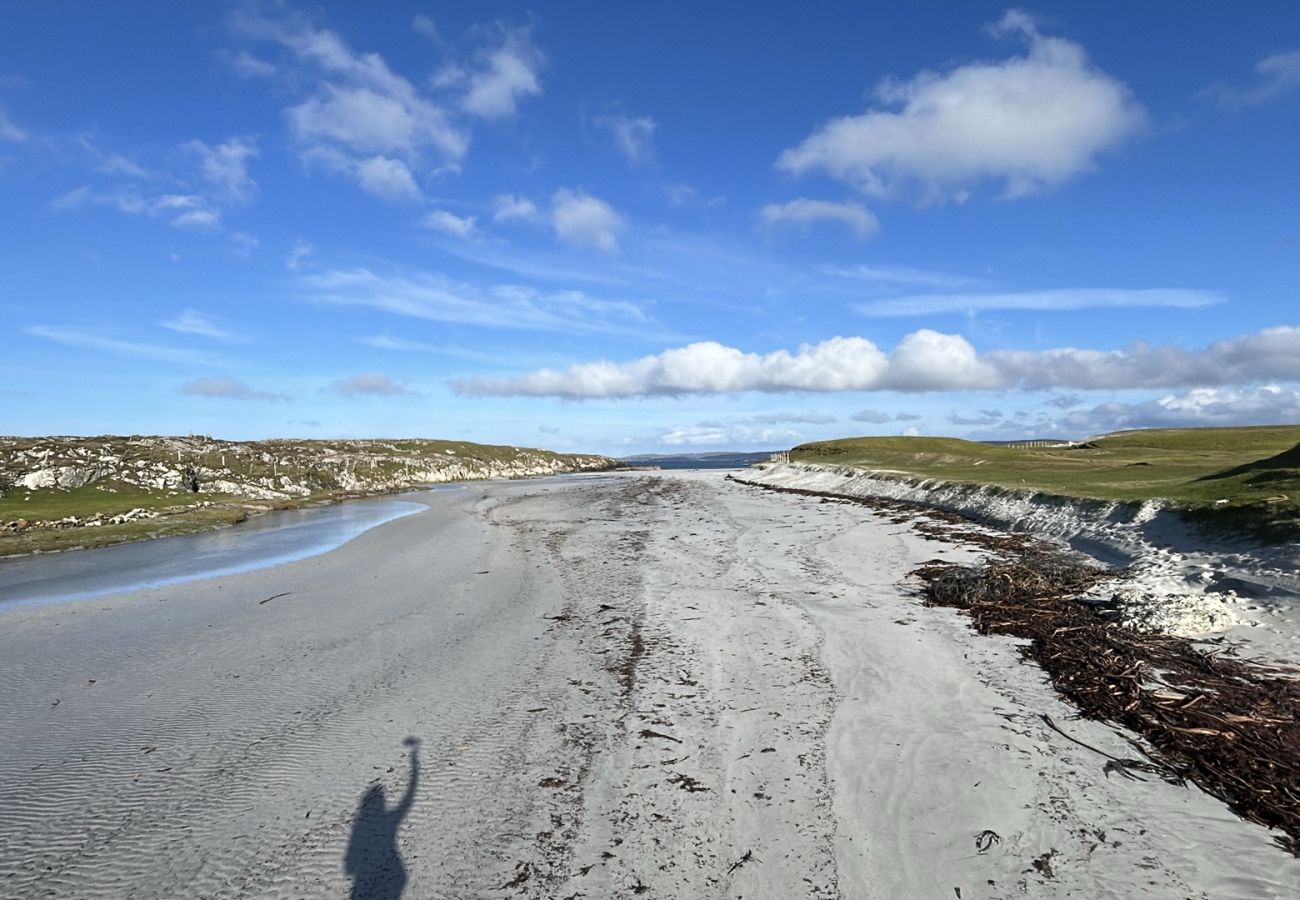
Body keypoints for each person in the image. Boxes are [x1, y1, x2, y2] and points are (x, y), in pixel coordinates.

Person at [344, 737, 420, 900]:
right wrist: (414, 758)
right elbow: (409, 796)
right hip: (397, 871)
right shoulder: (390, 818)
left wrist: (414, 757)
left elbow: (349, 866)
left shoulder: (360, 825)